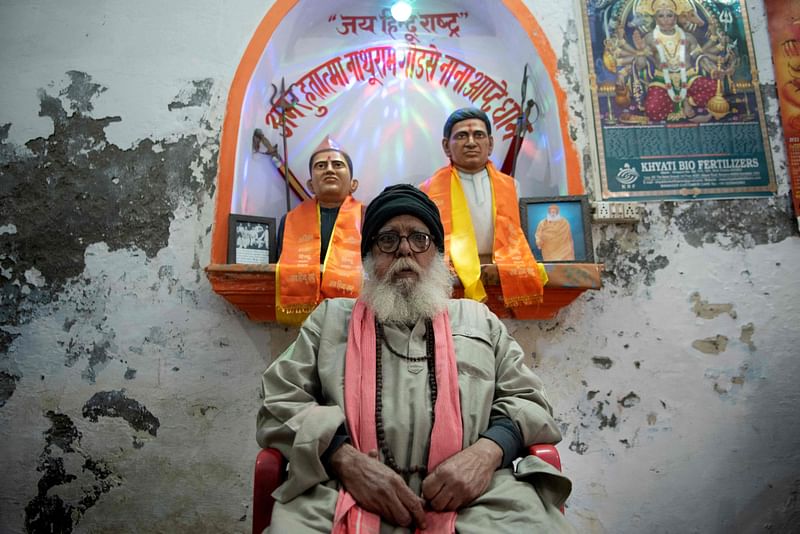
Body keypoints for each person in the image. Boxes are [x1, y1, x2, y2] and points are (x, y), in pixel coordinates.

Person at [257, 185, 573, 533]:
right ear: (368, 258)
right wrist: (344, 459)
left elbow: (528, 401)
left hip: (480, 499)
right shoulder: (331, 320)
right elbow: (279, 401)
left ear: (437, 253)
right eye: (388, 240)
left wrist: (486, 454)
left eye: (419, 239)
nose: (404, 250)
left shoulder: (478, 320)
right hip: (343, 492)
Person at [420, 107, 547, 318]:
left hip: (502, 274)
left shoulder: (511, 186)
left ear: (490, 144)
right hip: (450, 282)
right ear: (446, 146)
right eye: (461, 136)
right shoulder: (427, 190)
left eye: (478, 135)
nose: (471, 142)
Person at [275, 136, 363, 325]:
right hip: (303, 320)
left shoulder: (368, 217)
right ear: (310, 185)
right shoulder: (289, 221)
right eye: (321, 166)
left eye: (338, 165)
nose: (329, 169)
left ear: (353, 184)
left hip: (356, 315)